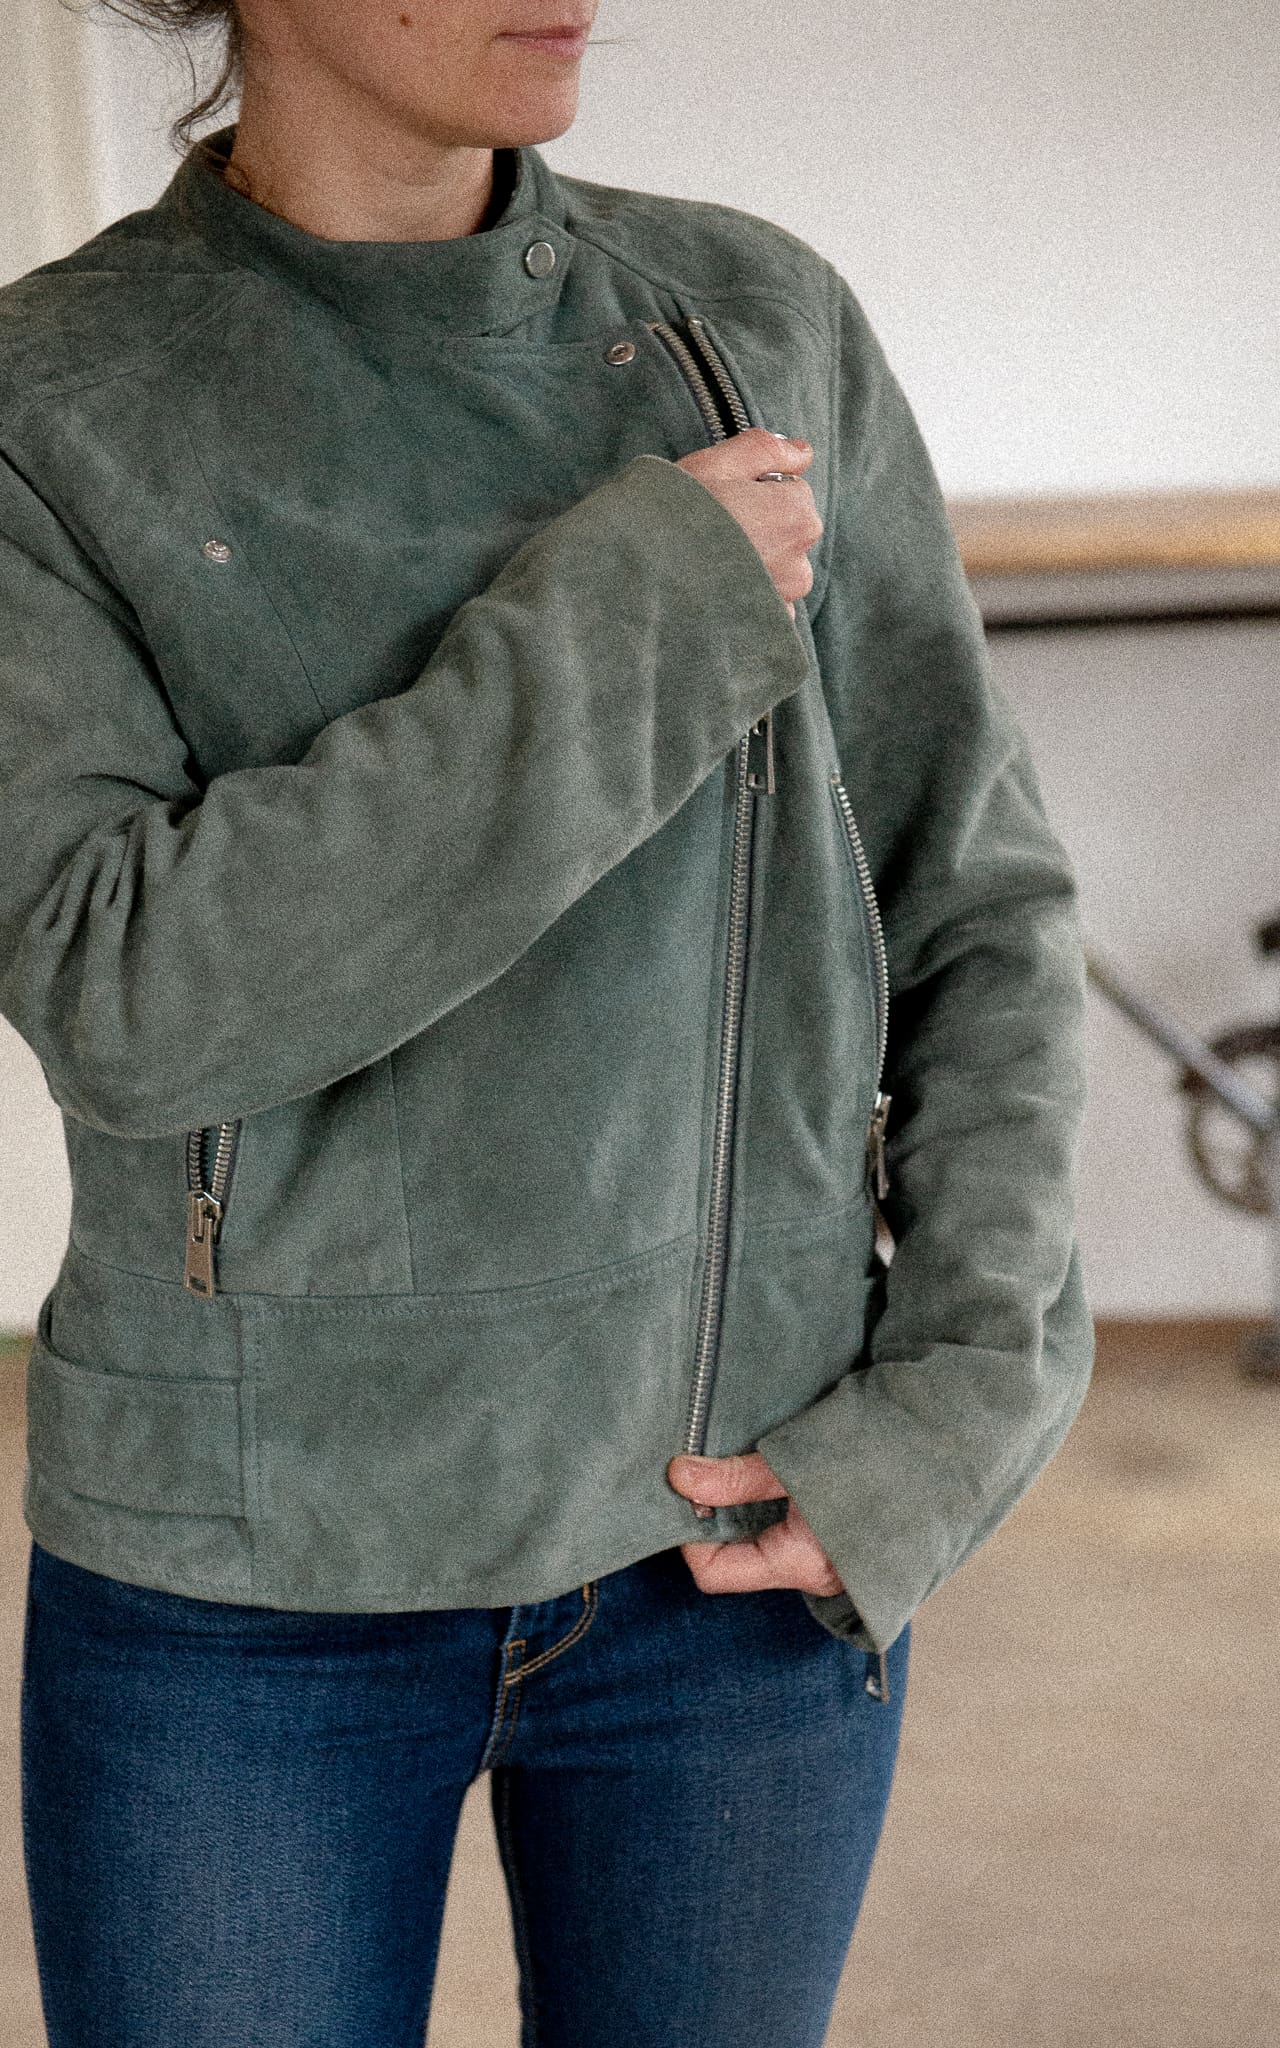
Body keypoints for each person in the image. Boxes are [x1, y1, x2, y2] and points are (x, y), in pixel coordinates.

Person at [0, 4, 1093, 2043]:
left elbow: (974, 903)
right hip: (239, 1581)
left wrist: (961, 1396)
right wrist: (634, 616)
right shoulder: (50, 403)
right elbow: (130, 998)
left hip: (731, 1533)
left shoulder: (753, 322)